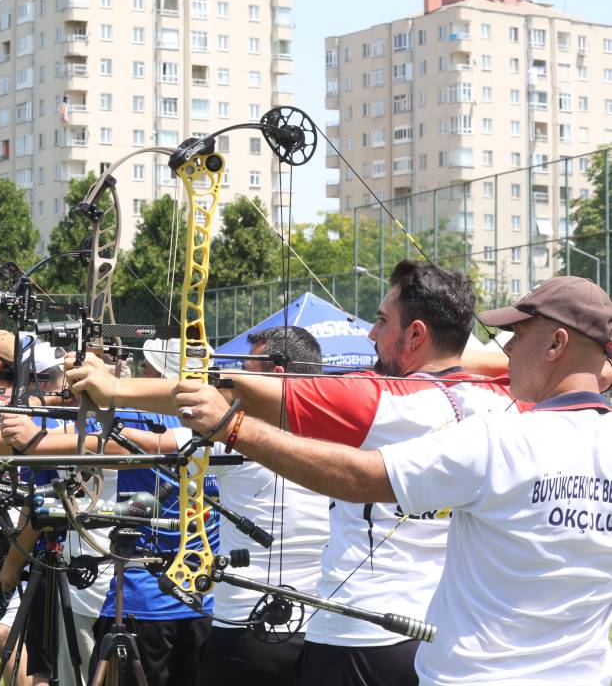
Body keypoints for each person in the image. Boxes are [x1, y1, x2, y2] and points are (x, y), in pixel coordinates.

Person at [67, 261, 519, 686]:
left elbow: (232, 388)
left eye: (383, 321)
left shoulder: (382, 402)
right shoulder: (504, 401)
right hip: (442, 635)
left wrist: (114, 388)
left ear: (416, 334)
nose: (371, 334)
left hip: (359, 635)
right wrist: (459, 363)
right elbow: (581, 366)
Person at [173, 275, 612, 685]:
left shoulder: (499, 437)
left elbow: (360, 476)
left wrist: (232, 428)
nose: (508, 349)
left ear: (557, 344)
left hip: (464, 672)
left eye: (519, 335)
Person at [197, 326, 329, 686]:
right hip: (323, 633)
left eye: (246, 369)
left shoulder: (237, 435)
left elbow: (155, 444)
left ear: (277, 375)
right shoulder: (344, 434)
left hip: (246, 632)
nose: (237, 379)